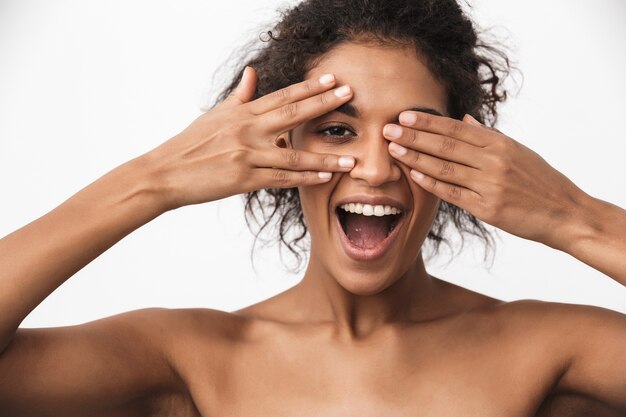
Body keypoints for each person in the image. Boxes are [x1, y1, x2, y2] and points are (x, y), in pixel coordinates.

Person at [0, 0, 625, 416]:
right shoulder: (193, 358)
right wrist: (155, 179)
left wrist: (574, 216)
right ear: (280, 145)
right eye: (335, 130)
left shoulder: (549, 350)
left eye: (413, 137)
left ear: (468, 156)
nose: (377, 170)